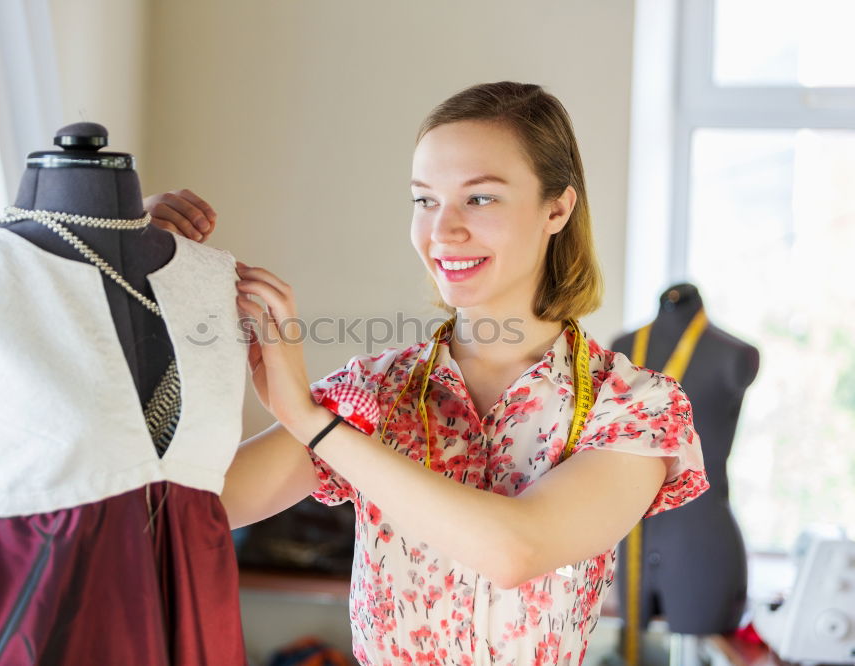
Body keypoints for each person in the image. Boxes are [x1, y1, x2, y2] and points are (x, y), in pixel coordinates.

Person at [147, 81, 710, 666]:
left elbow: (516, 549)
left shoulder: (632, 406)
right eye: (424, 200)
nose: (443, 230)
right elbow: (172, 512)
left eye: (481, 198)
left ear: (557, 208)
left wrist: (308, 421)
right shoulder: (374, 395)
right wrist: (134, 265)